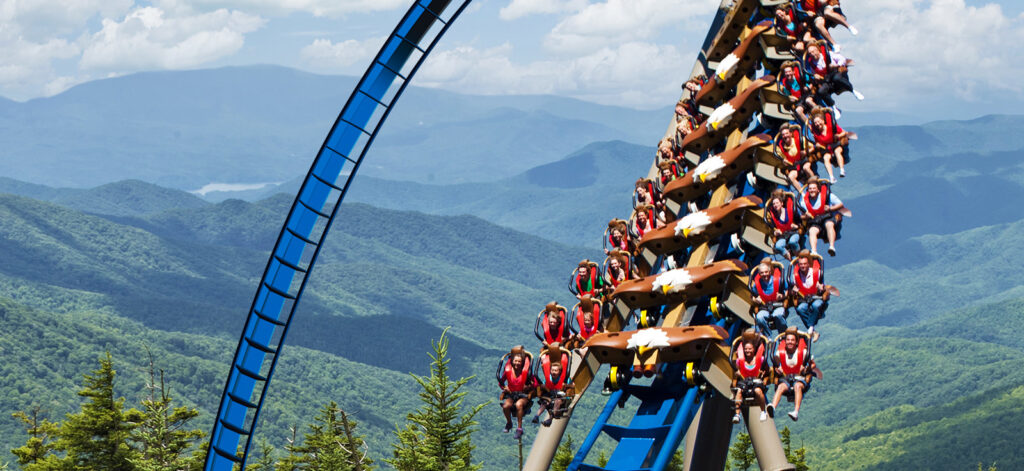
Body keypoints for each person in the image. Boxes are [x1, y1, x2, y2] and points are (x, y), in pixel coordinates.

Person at [770, 327, 818, 421]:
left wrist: (806, 368)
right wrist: (777, 369)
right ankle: (773, 407)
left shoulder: (804, 352)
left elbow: (813, 364)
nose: (790, 342)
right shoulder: (780, 353)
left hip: (799, 378)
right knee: (780, 387)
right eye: (788, 340)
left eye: (792, 340)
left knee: (797, 386)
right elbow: (776, 365)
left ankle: (795, 412)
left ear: (796, 342)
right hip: (786, 378)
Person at [789, 251, 829, 341]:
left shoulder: (817, 272)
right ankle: (813, 331)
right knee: (800, 309)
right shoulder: (795, 276)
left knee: (816, 305)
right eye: (801, 264)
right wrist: (794, 291)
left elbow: (823, 287)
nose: (803, 266)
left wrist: (821, 288)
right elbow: (792, 290)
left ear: (808, 264)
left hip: (816, 297)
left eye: (805, 264)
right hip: (804, 298)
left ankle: (810, 328)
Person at [732, 331, 770, 423]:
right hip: (744, 381)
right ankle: (737, 414)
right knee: (739, 391)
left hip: (756, 380)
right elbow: (736, 371)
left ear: (754, 349)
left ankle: (763, 411)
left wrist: (763, 373)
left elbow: (767, 371)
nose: (747, 351)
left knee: (758, 391)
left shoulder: (760, 360)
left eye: (749, 349)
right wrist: (736, 373)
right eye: (746, 349)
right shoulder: (739, 361)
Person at [798, 179, 844, 256]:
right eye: (810, 189)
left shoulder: (827, 196)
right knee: (812, 231)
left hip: (828, 217)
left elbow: (840, 204)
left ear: (818, 190)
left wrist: (830, 208)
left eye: (814, 188)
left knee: (829, 224)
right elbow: (799, 216)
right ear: (808, 190)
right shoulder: (804, 202)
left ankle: (831, 246)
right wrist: (806, 216)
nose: (812, 190)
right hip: (816, 221)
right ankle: (814, 251)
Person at [498, 347, 534, 439]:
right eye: (515, 361)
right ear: (512, 361)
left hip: (523, 395)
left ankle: (519, 428)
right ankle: (509, 423)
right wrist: (504, 388)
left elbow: (535, 382)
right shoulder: (508, 371)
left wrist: (529, 387)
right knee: (506, 406)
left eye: (519, 361)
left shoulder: (526, 372)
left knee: (518, 405)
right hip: (511, 394)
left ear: (522, 363)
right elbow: (501, 382)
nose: (517, 363)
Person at [533, 350, 574, 427]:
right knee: (545, 401)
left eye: (556, 370)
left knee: (557, 401)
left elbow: (573, 385)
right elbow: (546, 385)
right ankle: (537, 416)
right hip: (550, 394)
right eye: (552, 370)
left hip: (560, 396)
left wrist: (566, 385)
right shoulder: (549, 378)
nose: (553, 372)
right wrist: (543, 387)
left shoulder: (565, 378)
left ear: (559, 371)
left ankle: (550, 419)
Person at [808, 108, 850, 182]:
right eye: (815, 123)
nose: (817, 124)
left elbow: (844, 132)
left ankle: (842, 170)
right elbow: (816, 142)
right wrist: (817, 145)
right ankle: (831, 177)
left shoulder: (831, 127)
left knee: (837, 152)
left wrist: (839, 136)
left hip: (836, 145)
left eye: (818, 122)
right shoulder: (816, 132)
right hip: (826, 149)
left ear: (823, 121)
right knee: (826, 158)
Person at [751, 260, 791, 334]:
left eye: (766, 272)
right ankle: (767, 337)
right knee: (759, 317)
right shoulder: (757, 284)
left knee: (778, 315)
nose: (764, 274)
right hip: (764, 307)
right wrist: (756, 299)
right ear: (759, 274)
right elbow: (752, 296)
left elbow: (788, 291)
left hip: (777, 305)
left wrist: (782, 296)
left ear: (769, 272)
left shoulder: (778, 280)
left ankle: (783, 335)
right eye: (762, 273)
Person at [765, 189, 802, 260]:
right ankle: (791, 259)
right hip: (783, 235)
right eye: (774, 204)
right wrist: (775, 232)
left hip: (793, 232)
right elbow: (773, 228)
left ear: (782, 203)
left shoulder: (790, 211)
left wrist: (796, 226)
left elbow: (800, 223)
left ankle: (799, 256)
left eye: (777, 203)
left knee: (792, 241)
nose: (775, 205)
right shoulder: (774, 216)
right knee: (778, 246)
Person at [776, 124, 814, 189]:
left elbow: (812, 148)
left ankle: (814, 182)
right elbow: (784, 159)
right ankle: (802, 193)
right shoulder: (782, 148)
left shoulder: (800, 140)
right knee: (790, 177)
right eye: (783, 135)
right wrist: (784, 162)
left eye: (787, 133)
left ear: (791, 134)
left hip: (803, 161)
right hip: (794, 166)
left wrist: (806, 152)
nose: (785, 136)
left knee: (806, 168)